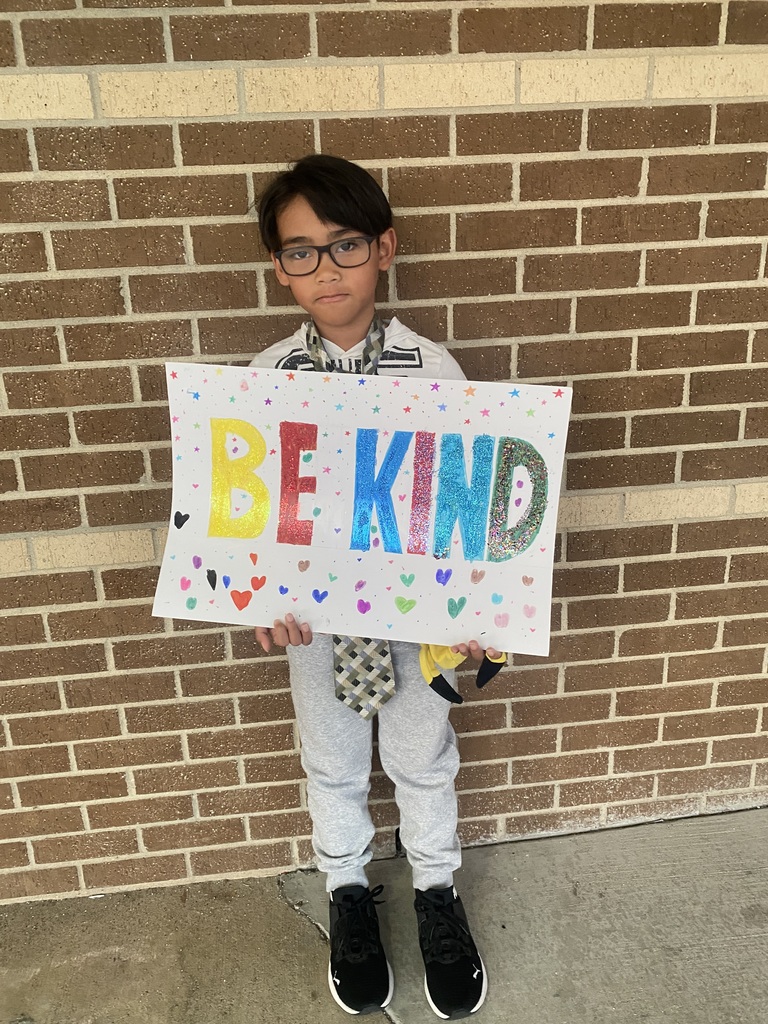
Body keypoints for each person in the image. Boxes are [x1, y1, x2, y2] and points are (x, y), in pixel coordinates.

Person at [251, 154, 500, 1019]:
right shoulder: (264, 380)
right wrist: (258, 599)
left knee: (421, 758)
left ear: (384, 249)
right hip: (316, 626)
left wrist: (477, 613)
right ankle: (348, 890)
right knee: (332, 759)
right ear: (279, 268)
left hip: (417, 617)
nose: (324, 268)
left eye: (344, 244)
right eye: (300, 252)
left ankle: (436, 892)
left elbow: (469, 506)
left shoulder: (436, 372)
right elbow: (249, 515)